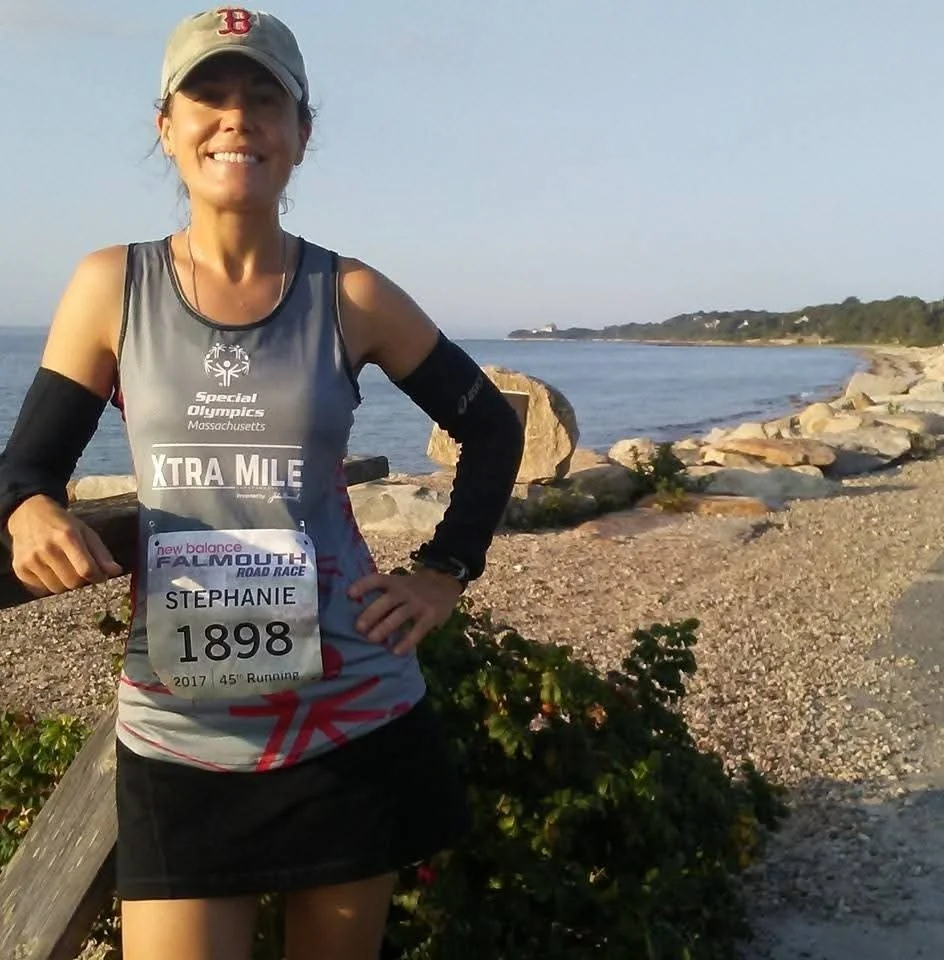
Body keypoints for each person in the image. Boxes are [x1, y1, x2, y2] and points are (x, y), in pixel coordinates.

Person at [0, 9, 523, 959]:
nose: (237, 119)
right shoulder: (109, 287)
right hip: (178, 727)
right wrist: (29, 510)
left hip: (349, 710)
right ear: (167, 125)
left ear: (301, 134)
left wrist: (444, 571)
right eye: (210, 96)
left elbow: (490, 426)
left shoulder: (350, 294)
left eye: (263, 98)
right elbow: (26, 468)